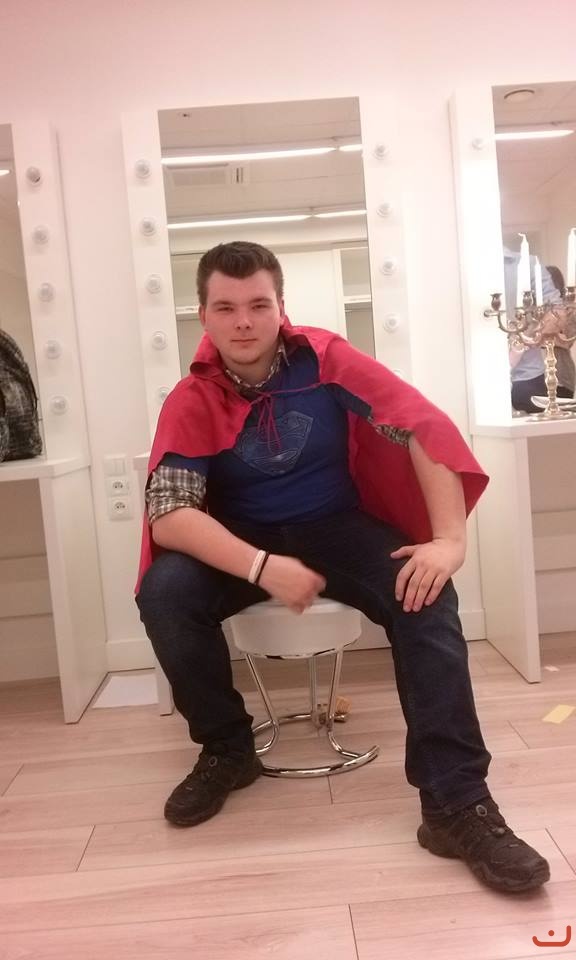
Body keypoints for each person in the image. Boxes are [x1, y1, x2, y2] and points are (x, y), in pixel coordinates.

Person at [136, 240, 550, 894]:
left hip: (336, 524)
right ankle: (227, 749)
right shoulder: (191, 396)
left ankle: (455, 802)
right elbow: (170, 515)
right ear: (204, 315)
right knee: (165, 593)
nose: (243, 321)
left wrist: (448, 541)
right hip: (243, 537)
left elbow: (422, 427)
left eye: (258, 305)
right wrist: (263, 566)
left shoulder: (326, 360)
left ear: (280, 307)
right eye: (226, 307)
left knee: (426, 594)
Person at [503, 249, 575, 413]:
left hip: (557, 374)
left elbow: (566, 340)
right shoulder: (530, 315)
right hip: (530, 371)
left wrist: (531, 338)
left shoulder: (563, 312)